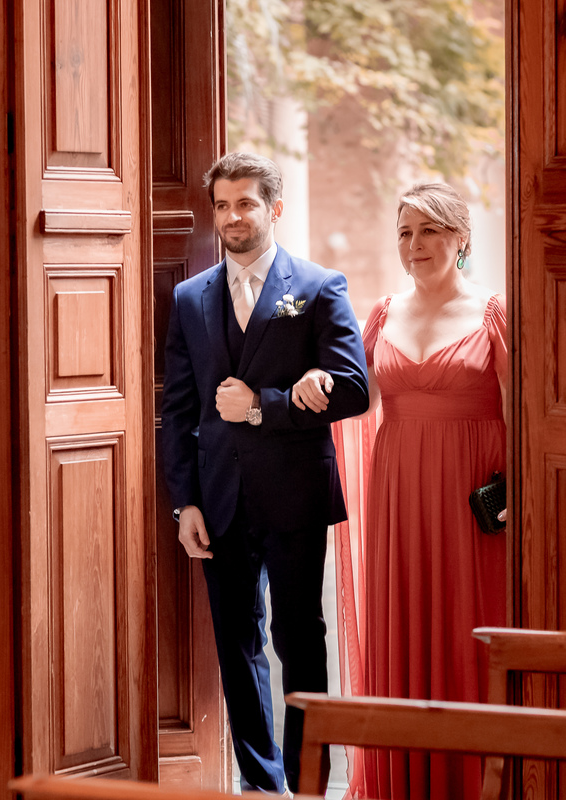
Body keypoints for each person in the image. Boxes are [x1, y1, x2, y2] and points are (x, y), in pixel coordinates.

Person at [160, 152, 370, 795]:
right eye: (221, 205)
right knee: (236, 645)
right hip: (218, 499)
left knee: (299, 639)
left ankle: (310, 784)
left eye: (245, 203)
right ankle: (262, 783)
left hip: (294, 495)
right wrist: (184, 503)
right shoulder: (190, 298)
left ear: (274, 208)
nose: (231, 217)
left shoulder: (318, 286)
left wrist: (265, 407)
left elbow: (355, 390)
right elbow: (178, 408)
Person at [299, 183, 508, 799]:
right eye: (406, 233)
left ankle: (473, 781)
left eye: (431, 231)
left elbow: (527, 411)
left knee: (471, 628)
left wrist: (517, 494)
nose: (415, 245)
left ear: (461, 238)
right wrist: (314, 375)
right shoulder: (383, 314)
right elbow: (347, 386)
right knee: (403, 619)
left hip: (473, 496)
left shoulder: (494, 312)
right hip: (398, 495)